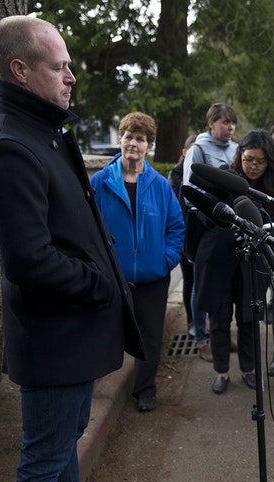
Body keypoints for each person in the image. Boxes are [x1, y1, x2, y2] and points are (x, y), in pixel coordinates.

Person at [0, 16, 137, 482]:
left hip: (73, 329)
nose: (71, 75)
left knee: (66, 438)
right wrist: (99, 283)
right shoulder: (10, 146)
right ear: (20, 71)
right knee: (43, 454)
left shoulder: (38, 128)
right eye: (58, 65)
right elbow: (29, 261)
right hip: (51, 334)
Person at [91, 112, 185, 412]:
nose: (133, 143)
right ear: (120, 140)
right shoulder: (101, 182)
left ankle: (145, 389)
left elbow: (176, 227)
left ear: (149, 145)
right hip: (112, 277)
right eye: (128, 136)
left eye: (140, 138)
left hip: (152, 278)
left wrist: (164, 260)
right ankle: (94, 381)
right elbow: (88, 227)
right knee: (104, 331)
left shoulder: (159, 185)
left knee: (150, 338)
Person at [183, 103, 240, 358]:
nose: (230, 128)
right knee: (201, 283)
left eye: (233, 123)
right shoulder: (198, 149)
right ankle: (199, 334)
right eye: (225, 122)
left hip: (234, 226)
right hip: (207, 225)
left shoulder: (237, 149)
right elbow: (189, 192)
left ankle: (223, 334)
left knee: (226, 284)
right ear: (211, 123)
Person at [167, 134, 198, 335]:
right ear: (184, 152)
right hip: (185, 240)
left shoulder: (200, 173)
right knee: (190, 281)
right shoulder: (175, 177)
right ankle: (192, 323)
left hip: (201, 237)